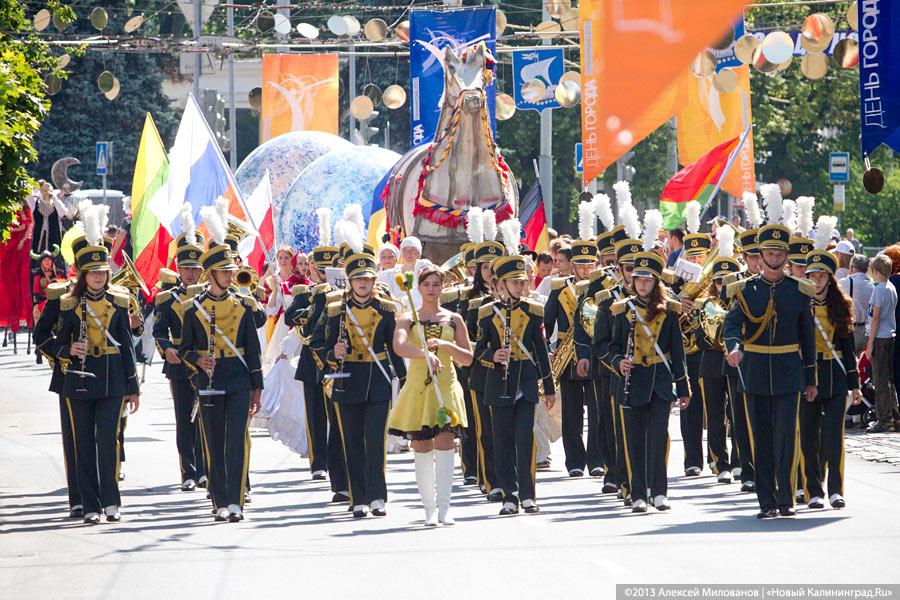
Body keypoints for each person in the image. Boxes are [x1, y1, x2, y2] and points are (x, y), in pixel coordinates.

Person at [724, 224, 817, 519]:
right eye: (768, 251)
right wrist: (734, 346)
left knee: (786, 439)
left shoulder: (799, 290)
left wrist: (811, 378)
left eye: (778, 252)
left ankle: (786, 498)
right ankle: (766, 501)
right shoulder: (745, 289)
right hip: (755, 375)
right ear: (760, 256)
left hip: (789, 372)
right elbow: (730, 325)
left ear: (785, 255)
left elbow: (808, 337)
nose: (774, 256)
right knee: (761, 440)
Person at [52, 220, 140, 524]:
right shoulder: (68, 303)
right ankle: (89, 504)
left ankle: (111, 501)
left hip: (113, 378)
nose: (99, 277)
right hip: (78, 378)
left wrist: (133, 387)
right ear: (84, 275)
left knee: (108, 440)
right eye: (93, 273)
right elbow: (54, 341)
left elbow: (127, 346)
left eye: (102, 272)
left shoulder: (119, 302)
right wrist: (68, 350)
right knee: (84, 443)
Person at [179, 213, 263, 523]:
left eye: (231, 271)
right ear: (210, 274)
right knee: (213, 442)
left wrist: (257, 387)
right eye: (224, 272)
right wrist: (197, 360)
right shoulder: (192, 307)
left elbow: (252, 349)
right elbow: (183, 346)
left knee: (235, 440)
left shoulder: (243, 304)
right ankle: (219, 499)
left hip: (238, 378)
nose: (230, 276)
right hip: (208, 378)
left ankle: (236, 500)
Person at [323, 252, 405, 518]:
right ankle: (357, 498)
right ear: (349, 280)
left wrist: (403, 382)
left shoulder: (386, 308)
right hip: (347, 380)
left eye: (366, 278)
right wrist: (333, 353)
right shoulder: (336, 308)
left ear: (373, 279)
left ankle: (378, 496)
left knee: (375, 441)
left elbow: (394, 349)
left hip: (378, 379)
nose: (362, 283)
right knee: (352, 441)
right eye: (357, 278)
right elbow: (321, 345)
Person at [390, 265, 472, 526]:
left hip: (446, 388)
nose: (431, 289)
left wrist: (446, 345)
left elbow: (468, 358)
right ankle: (428, 508)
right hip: (418, 389)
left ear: (442, 286)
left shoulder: (454, 319)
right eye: (426, 285)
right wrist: (424, 353)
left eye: (436, 284)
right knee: (422, 448)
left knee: (446, 444)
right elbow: (399, 345)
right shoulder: (407, 317)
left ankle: (445, 507)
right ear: (418, 287)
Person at [474, 255, 556, 515]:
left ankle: (528, 494)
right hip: (498, 383)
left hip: (527, 380)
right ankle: (509, 495)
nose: (520, 286)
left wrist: (550, 387)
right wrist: (492, 356)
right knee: (503, 441)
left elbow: (541, 351)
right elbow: (478, 350)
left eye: (522, 281)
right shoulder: (486, 313)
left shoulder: (533, 311)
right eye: (514, 282)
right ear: (500, 285)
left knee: (524, 437)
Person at [609, 251, 690, 512]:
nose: (642, 283)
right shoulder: (622, 310)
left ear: (657, 282)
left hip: (661, 382)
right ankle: (637, 494)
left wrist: (684, 388)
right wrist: (618, 360)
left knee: (658, 436)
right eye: (638, 278)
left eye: (647, 279)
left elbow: (678, 352)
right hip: (633, 382)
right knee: (634, 439)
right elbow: (611, 346)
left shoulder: (669, 311)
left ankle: (659, 492)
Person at [800, 250, 861, 510]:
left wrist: (854, 384)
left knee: (834, 435)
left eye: (820, 275)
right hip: (807, 375)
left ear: (829, 277)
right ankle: (814, 489)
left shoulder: (841, 305)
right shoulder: (800, 304)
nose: (816, 280)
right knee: (809, 436)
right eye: (812, 275)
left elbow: (848, 349)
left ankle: (836, 490)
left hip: (834, 374)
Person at [152, 217, 207, 492]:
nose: (189, 274)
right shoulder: (167, 298)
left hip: (205, 363)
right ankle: (188, 470)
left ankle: (206, 470)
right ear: (177, 268)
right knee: (184, 417)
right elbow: (159, 331)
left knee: (207, 417)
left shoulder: (209, 296)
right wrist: (167, 349)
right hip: (179, 365)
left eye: (194, 269)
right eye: (185, 268)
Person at [864, 253, 898, 433]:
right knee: (888, 380)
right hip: (888, 336)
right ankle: (894, 415)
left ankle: (884, 420)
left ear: (876, 271)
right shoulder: (890, 287)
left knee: (880, 380)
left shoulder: (879, 289)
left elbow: (875, 317)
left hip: (880, 338)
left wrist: (869, 345)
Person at [0, 199, 34, 334]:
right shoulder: (8, 209)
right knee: (8, 280)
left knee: (23, 283)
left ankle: (26, 317)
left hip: (20, 245)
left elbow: (26, 227)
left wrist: (21, 240)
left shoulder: (24, 210)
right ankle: (12, 317)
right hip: (9, 244)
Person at [839, 254, 873, 352]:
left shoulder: (844, 282)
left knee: (851, 363)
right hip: (868, 332)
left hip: (852, 330)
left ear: (852, 267)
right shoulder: (873, 285)